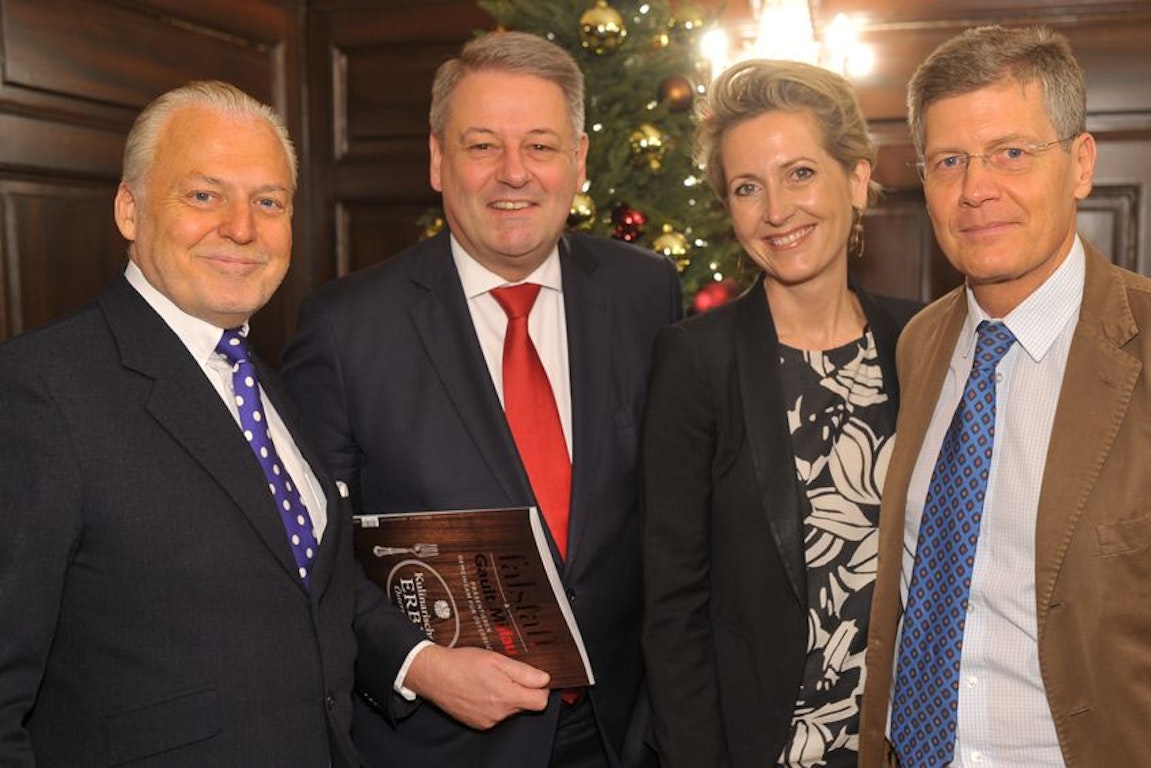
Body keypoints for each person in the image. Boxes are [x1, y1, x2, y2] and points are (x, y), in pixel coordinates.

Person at [859, 25, 1151, 768]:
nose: (975, 189)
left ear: (1081, 164)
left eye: (1011, 153)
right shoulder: (920, 343)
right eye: (949, 160)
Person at [280, 30, 683, 768]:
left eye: (540, 146)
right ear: (438, 159)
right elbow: (309, 547)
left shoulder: (646, 293)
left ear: (579, 160)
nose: (514, 172)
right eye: (482, 146)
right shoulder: (347, 329)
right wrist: (418, 665)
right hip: (443, 744)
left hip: (624, 732)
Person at [0, 81, 432, 766]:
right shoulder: (38, 391)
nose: (241, 227)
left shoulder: (262, 382)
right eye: (204, 195)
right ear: (130, 209)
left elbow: (301, 592)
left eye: (269, 202)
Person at [641, 59, 921, 768]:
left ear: (855, 180)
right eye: (747, 187)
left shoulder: (920, 342)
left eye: (800, 173)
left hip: (904, 743)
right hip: (763, 750)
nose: (775, 210)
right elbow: (672, 606)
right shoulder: (697, 360)